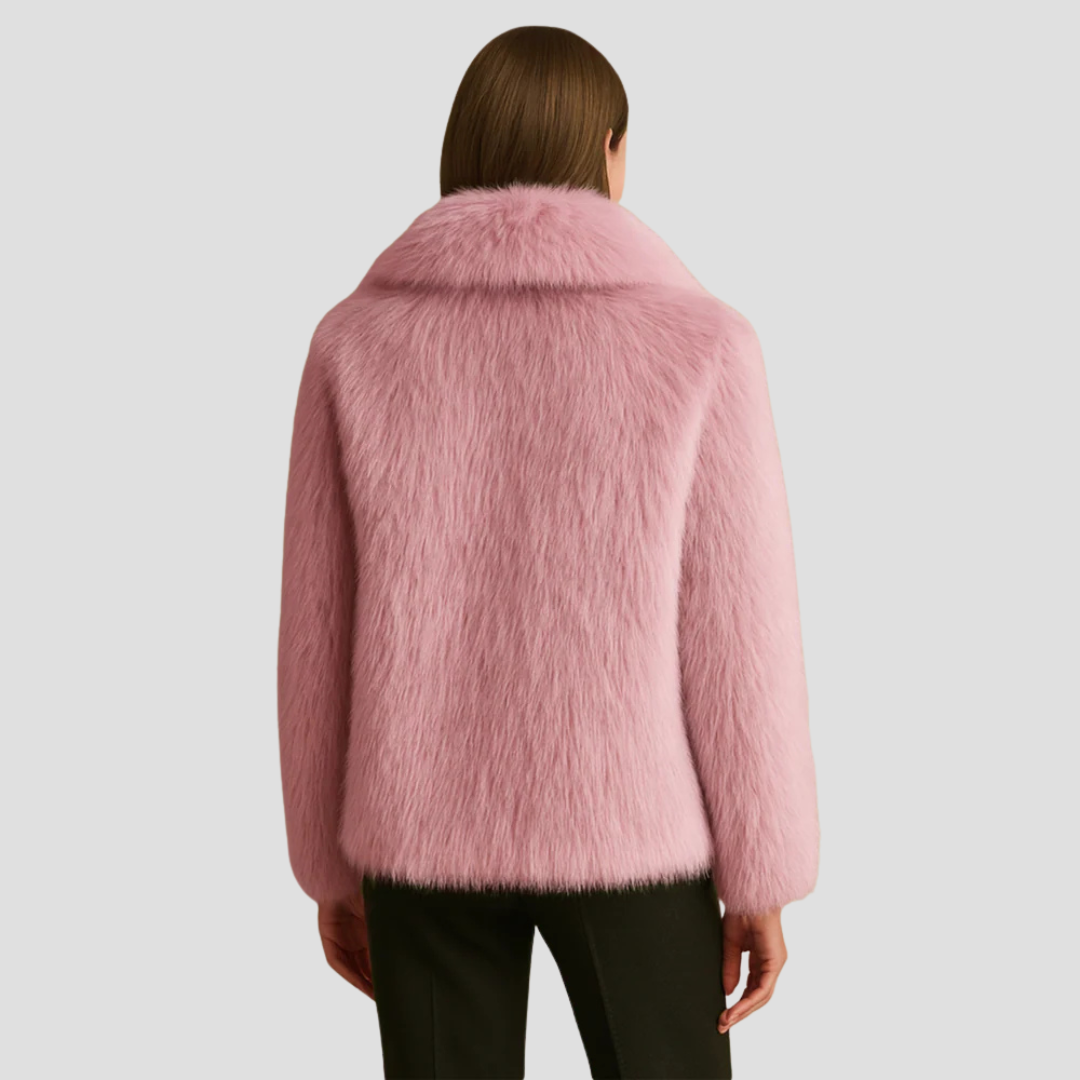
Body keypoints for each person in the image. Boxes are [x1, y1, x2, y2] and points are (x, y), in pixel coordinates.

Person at [277, 24, 819, 1080]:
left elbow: (318, 626)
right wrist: (763, 871)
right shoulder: (703, 345)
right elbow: (739, 628)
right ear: (609, 149)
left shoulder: (354, 343)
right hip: (632, 832)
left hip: (418, 835)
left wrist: (327, 864)